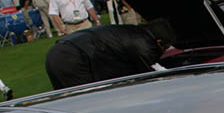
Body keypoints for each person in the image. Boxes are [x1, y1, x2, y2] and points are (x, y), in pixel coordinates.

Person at [45, 18, 175, 89]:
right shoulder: (144, 45)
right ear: (159, 42)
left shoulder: (132, 31)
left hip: (57, 51)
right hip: (73, 59)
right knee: (87, 104)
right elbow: (150, 76)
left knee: (66, 103)